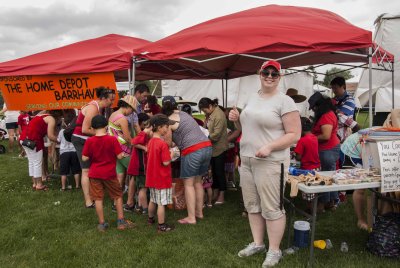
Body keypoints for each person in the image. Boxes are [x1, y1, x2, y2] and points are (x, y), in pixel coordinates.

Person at [229, 60, 301, 267]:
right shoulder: (252, 97)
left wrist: (270, 147)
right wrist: (235, 119)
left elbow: (294, 135)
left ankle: (274, 250)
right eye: (266, 72)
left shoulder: (285, 101)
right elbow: (244, 126)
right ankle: (258, 243)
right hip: (248, 159)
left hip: (271, 162)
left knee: (272, 208)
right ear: (259, 73)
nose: (269, 76)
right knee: (252, 205)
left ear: (280, 77)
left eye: (274, 74)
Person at [162, 96, 212, 224]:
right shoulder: (183, 113)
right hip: (206, 147)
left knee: (188, 184)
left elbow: (167, 143)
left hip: (192, 150)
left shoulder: (168, 121)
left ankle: (191, 218)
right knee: (198, 182)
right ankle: (199, 213)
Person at [82, 115, 135, 232]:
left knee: (98, 198)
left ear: (92, 127)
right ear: (106, 126)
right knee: (118, 195)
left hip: (95, 173)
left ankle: (102, 224)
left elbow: (84, 158)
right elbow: (120, 156)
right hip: (110, 173)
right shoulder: (112, 139)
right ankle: (121, 222)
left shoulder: (89, 141)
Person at [71, 87, 116, 208]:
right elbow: (85, 129)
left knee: (90, 169)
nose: (112, 102)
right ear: (103, 98)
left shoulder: (97, 107)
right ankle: (88, 201)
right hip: (81, 139)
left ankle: (94, 195)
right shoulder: (93, 108)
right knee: (85, 170)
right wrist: (103, 134)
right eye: (111, 99)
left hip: (86, 140)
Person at [308, 92, 341, 211]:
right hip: (327, 149)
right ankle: (330, 202)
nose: (314, 110)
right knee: (329, 175)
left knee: (325, 176)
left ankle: (325, 203)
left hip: (328, 149)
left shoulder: (326, 115)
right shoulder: (326, 114)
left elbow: (326, 136)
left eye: (314, 107)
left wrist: (309, 139)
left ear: (320, 105)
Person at [145, 114, 175, 232]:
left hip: (152, 177)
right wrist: (172, 154)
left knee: (153, 199)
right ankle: (161, 225)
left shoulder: (151, 141)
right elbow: (166, 162)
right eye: (166, 127)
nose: (168, 129)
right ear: (159, 127)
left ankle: (150, 219)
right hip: (161, 178)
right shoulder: (162, 144)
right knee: (161, 203)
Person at [20, 110, 63, 191]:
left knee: (31, 162)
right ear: (58, 116)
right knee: (37, 163)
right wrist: (60, 140)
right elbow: (50, 135)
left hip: (24, 138)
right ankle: (39, 184)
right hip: (34, 140)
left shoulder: (41, 115)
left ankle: (34, 183)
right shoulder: (51, 119)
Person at [198, 98, 228, 204]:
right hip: (212, 148)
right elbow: (207, 128)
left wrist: (204, 136)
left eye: (205, 110)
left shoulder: (219, 115)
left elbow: (216, 135)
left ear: (210, 106)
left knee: (219, 172)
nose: (205, 112)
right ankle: (215, 192)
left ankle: (222, 195)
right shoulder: (211, 114)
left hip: (219, 148)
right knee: (214, 172)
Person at [108, 95, 138, 198]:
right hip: (124, 151)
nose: (132, 113)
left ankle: (116, 201)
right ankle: (134, 198)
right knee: (135, 173)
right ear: (128, 106)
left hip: (114, 149)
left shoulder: (113, 114)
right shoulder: (122, 119)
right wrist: (136, 143)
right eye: (132, 110)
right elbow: (127, 138)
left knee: (119, 175)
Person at [294, 117, 321, 211]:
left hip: (307, 169)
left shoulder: (302, 141)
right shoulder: (314, 137)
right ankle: (315, 209)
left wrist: (295, 153)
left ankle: (310, 211)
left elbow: (298, 157)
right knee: (314, 190)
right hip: (317, 167)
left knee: (308, 193)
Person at [126, 113, 151, 213]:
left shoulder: (144, 134)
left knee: (141, 186)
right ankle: (145, 208)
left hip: (140, 165)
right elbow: (133, 142)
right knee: (143, 188)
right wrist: (144, 147)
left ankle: (140, 206)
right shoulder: (143, 134)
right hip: (140, 166)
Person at [330, 76, 359, 142]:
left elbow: (341, 116)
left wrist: (332, 111)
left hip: (345, 136)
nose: (333, 90)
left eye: (335, 88)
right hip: (334, 134)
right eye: (332, 88)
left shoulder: (349, 100)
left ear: (343, 86)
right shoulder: (333, 100)